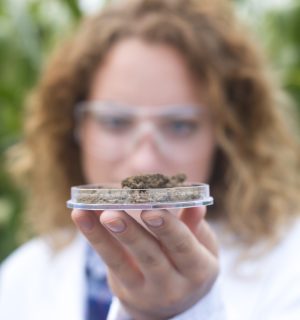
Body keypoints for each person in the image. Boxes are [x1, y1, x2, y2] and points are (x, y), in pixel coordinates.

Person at [1, 0, 300, 319]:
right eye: (115, 122)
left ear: (226, 135)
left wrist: (186, 310)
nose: (144, 163)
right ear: (74, 129)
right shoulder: (21, 278)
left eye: (179, 125)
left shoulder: (289, 264)